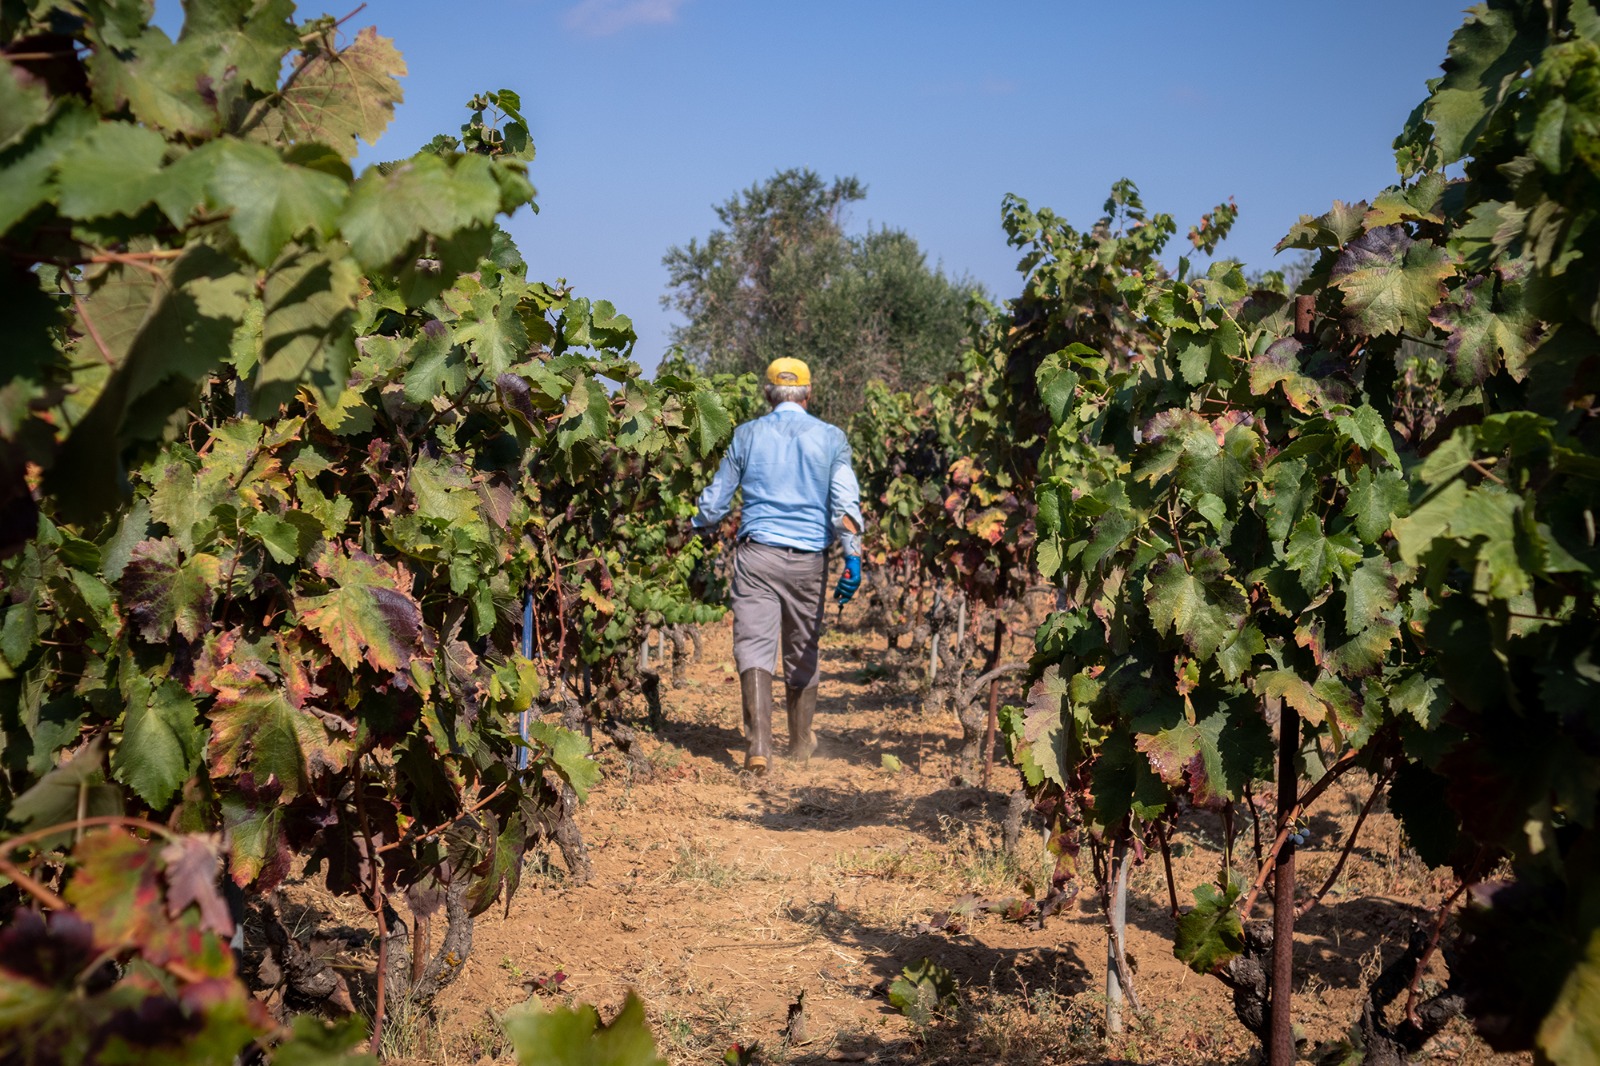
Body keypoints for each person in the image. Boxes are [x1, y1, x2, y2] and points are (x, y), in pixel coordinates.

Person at [692, 357, 863, 774]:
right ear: (809, 393)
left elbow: (716, 500)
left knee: (753, 646)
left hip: (757, 556)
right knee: (802, 648)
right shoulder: (831, 438)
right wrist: (853, 555)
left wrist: (696, 525)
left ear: (768, 393)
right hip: (808, 561)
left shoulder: (747, 435)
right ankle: (802, 744)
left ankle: (759, 747)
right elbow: (844, 503)